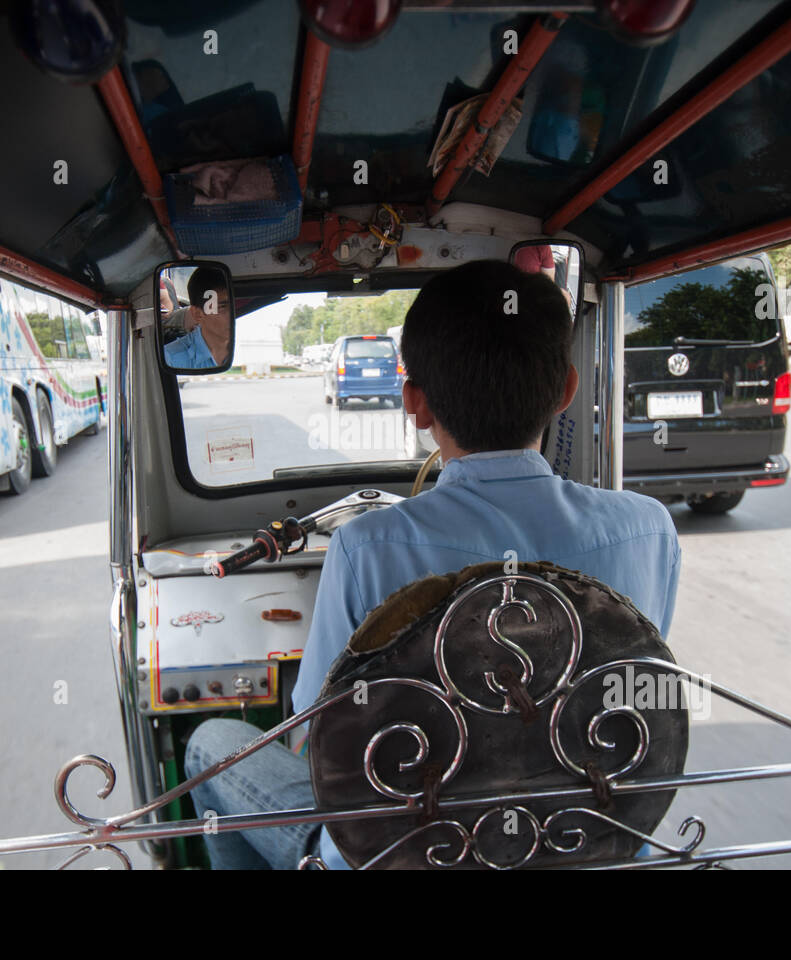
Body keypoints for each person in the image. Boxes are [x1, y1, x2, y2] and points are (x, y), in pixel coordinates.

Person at [184, 260, 681, 870]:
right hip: (583, 839)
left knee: (211, 743)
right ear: (566, 390)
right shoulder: (648, 528)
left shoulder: (366, 548)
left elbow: (317, 728)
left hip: (405, 855)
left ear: (414, 402)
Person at [163, 266, 232, 369]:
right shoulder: (170, 359)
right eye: (222, 307)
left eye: (235, 306)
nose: (232, 314)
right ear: (197, 314)